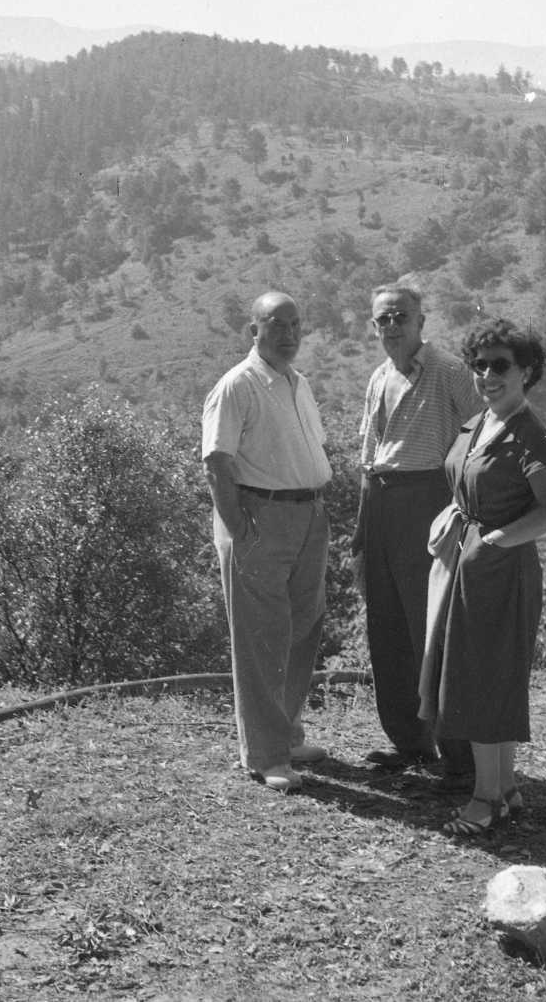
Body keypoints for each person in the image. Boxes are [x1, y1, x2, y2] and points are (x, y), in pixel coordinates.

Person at [418, 318, 546, 837]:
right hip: (468, 564)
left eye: (500, 365)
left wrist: (499, 541)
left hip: (502, 571)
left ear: (526, 370)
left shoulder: (531, 437)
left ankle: (483, 799)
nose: (486, 375)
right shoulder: (477, 425)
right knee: (485, 679)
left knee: (483, 681)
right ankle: (504, 790)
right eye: (479, 365)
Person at [202, 291, 332, 792]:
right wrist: (240, 530)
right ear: (252, 330)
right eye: (275, 324)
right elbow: (217, 463)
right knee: (261, 638)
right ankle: (266, 755)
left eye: (295, 323)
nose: (288, 333)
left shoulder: (297, 383)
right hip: (261, 516)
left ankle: (288, 733)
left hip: (307, 515)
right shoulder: (238, 385)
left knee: (302, 628)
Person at [352, 284, 481, 787]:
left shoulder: (448, 371)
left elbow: (482, 431)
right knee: (387, 626)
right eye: (382, 319)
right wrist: (361, 538)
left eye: (400, 317)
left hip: (429, 502)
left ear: (422, 321)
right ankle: (409, 742)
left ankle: (459, 755)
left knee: (433, 626)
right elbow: (368, 460)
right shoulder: (379, 377)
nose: (391, 327)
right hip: (382, 503)